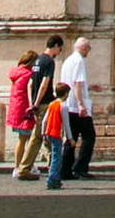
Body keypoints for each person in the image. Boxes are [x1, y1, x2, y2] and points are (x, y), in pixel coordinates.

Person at [58, 33, 96, 181]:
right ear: (84, 48)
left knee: (71, 138)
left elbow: (73, 83)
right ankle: (80, 167)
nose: (89, 51)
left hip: (69, 104)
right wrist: (81, 104)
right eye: (89, 48)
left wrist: (90, 87)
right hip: (77, 106)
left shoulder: (68, 60)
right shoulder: (79, 61)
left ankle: (65, 170)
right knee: (89, 137)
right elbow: (77, 84)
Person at [26, 36, 63, 179]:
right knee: (43, 135)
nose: (59, 52)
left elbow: (30, 84)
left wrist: (32, 103)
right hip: (44, 103)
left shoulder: (37, 60)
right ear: (55, 46)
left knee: (44, 135)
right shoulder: (49, 61)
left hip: (36, 103)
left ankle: (52, 166)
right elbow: (44, 84)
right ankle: (25, 167)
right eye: (60, 48)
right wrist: (36, 104)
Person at [8, 51, 39, 180]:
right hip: (25, 110)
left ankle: (22, 164)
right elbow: (30, 93)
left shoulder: (16, 73)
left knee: (23, 139)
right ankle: (20, 166)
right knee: (25, 139)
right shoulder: (28, 75)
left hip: (16, 110)